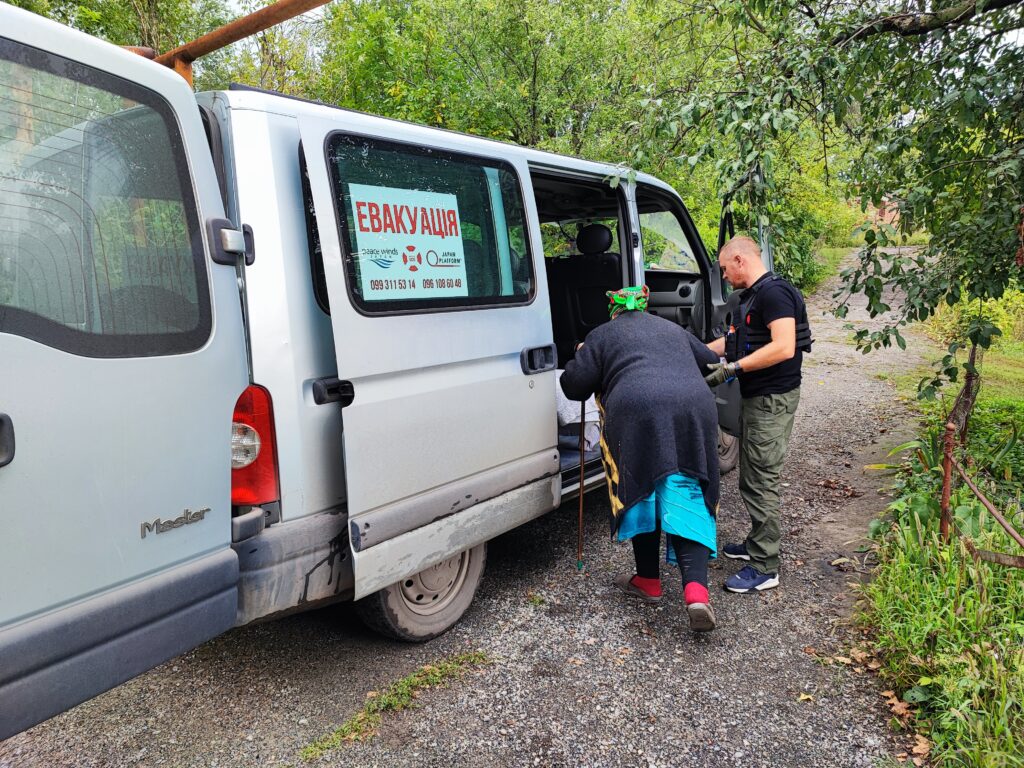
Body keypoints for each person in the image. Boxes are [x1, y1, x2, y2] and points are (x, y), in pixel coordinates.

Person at [560, 285, 722, 632]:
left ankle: (649, 580)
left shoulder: (602, 334)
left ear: (613, 310)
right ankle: (696, 593)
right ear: (646, 308)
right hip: (694, 410)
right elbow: (710, 361)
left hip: (637, 413)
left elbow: (573, 386)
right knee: (685, 488)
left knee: (643, 489)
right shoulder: (673, 329)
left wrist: (581, 353)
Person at [704, 235, 812, 594]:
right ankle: (755, 543)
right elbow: (731, 342)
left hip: (772, 399)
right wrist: (693, 352)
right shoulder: (749, 298)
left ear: (739, 260)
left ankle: (766, 566)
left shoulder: (775, 294)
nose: (724, 277)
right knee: (750, 475)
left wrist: (732, 369)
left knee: (762, 477)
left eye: (723, 269)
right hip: (756, 398)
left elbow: (783, 346)